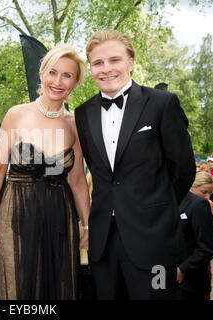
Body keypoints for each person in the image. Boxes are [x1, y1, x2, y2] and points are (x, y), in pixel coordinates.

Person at [74, 29, 195, 299]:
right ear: (91, 68)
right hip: (104, 244)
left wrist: (154, 208)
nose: (106, 69)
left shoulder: (163, 104)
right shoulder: (83, 113)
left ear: (130, 62)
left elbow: (183, 170)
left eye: (114, 60)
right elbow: (97, 170)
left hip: (155, 241)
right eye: (98, 63)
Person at [0, 43, 90, 299]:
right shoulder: (16, 114)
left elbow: (76, 181)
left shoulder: (75, 124)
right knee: (17, 285)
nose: (58, 81)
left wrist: (88, 227)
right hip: (16, 212)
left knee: (58, 284)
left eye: (67, 75)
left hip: (59, 215)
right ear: (42, 74)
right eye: (53, 72)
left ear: (75, 83)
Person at [177, 171, 213, 300]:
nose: (207, 197)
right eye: (204, 192)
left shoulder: (200, 205)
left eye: (210, 193)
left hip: (192, 278)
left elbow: (208, 247)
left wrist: (183, 269)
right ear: (191, 187)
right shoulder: (174, 200)